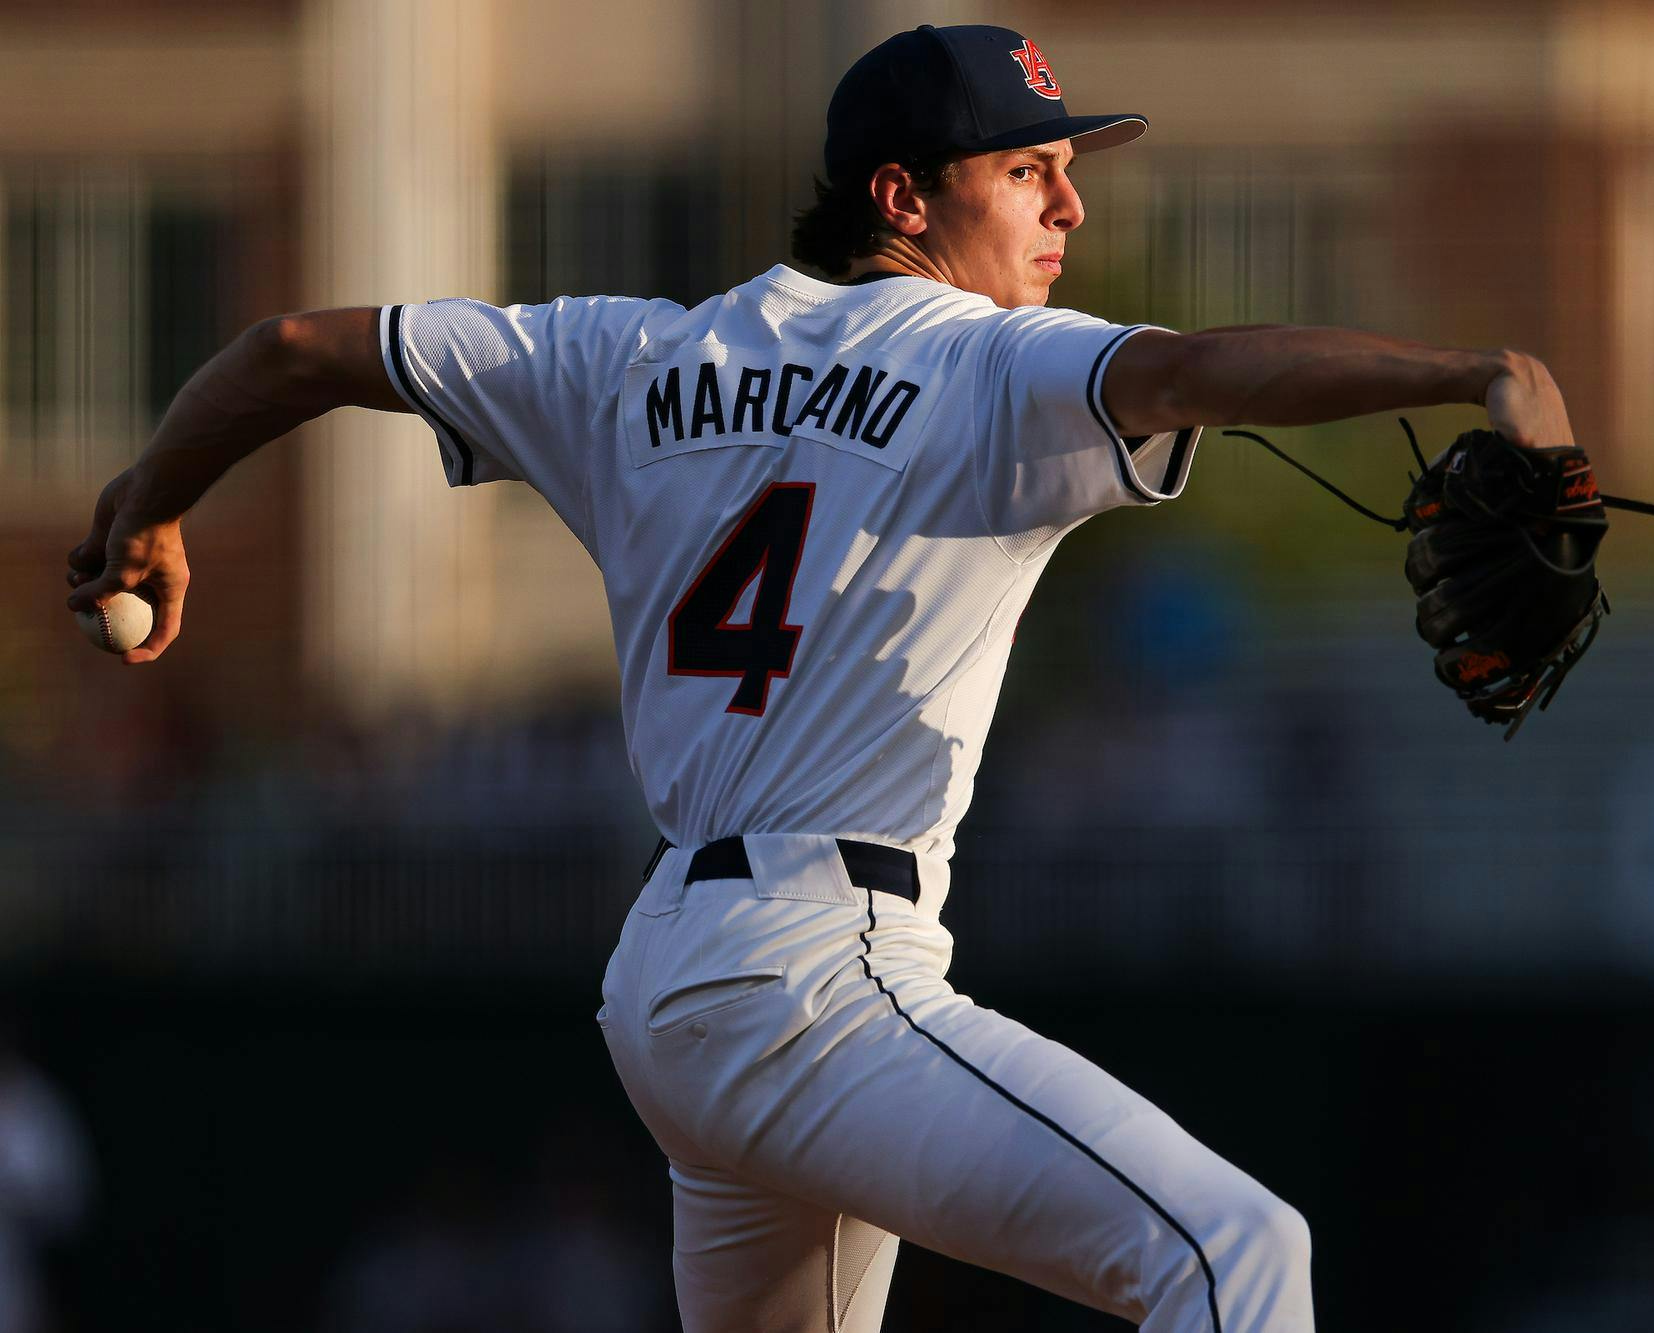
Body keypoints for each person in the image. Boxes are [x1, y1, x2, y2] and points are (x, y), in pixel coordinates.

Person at [64, 22, 1574, 1332]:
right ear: (903, 197)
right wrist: (1461, 374)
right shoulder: (993, 362)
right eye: (1026, 171)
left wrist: (151, 504)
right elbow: (1201, 369)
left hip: (673, 981)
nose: (1070, 203)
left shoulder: (637, 356)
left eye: (1067, 166)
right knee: (1240, 1251)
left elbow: (290, 347)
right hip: (819, 971)